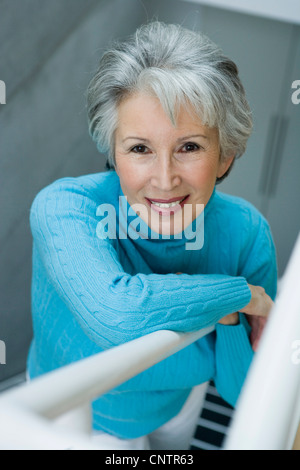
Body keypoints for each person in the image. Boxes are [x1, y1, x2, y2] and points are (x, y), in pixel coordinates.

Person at [27, 21, 277, 450]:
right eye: (140, 148)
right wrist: (239, 295)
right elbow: (117, 315)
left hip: (178, 402)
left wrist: (231, 320)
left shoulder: (247, 231)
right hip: (81, 415)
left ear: (225, 155)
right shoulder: (65, 207)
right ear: (113, 151)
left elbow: (244, 392)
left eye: (190, 147)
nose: (164, 180)